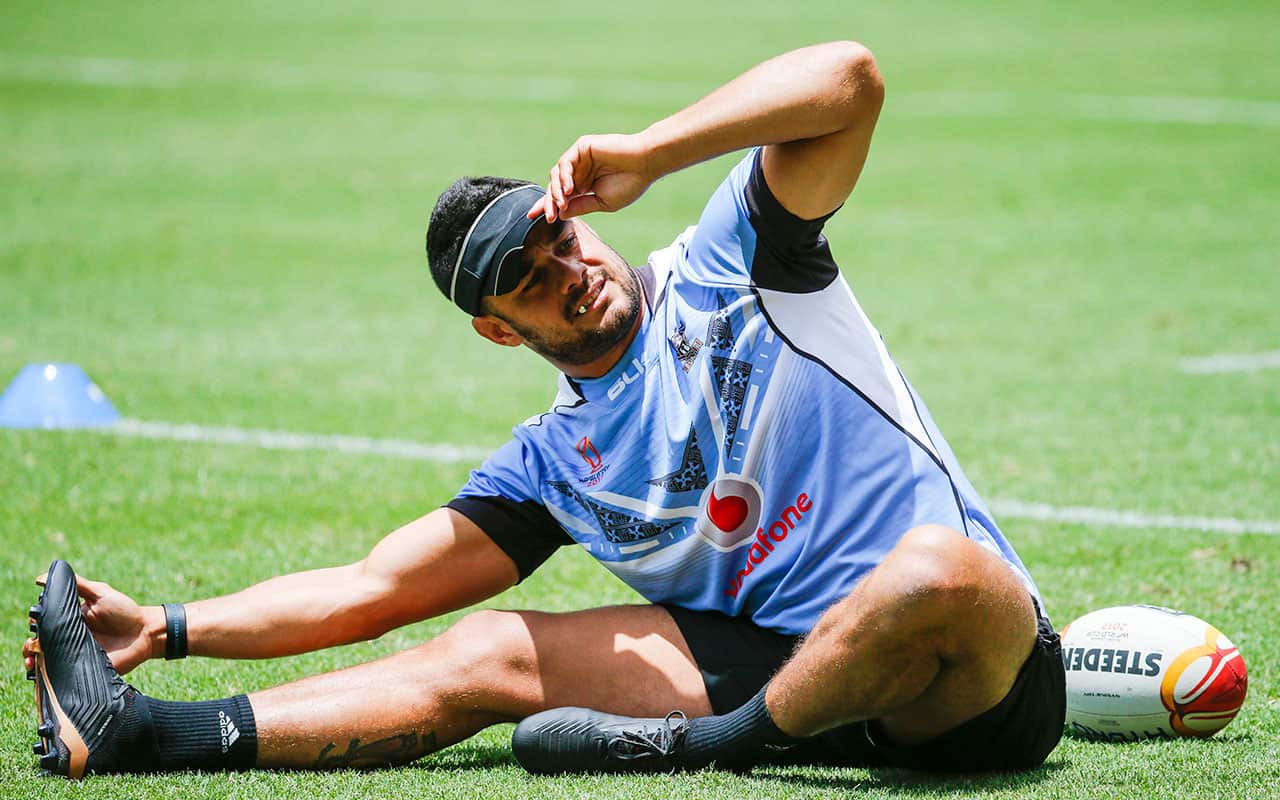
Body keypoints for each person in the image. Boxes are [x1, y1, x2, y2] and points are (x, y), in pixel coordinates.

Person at [24, 42, 1064, 780]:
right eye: (524, 279)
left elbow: (849, 79)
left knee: (938, 568)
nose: (562, 270)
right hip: (783, 678)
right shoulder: (553, 463)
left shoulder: (736, 265)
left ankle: (708, 751)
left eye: (556, 238)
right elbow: (372, 586)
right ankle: (137, 734)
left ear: (579, 219)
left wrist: (652, 151)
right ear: (498, 331)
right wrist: (165, 629)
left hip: (967, 681)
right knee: (484, 648)